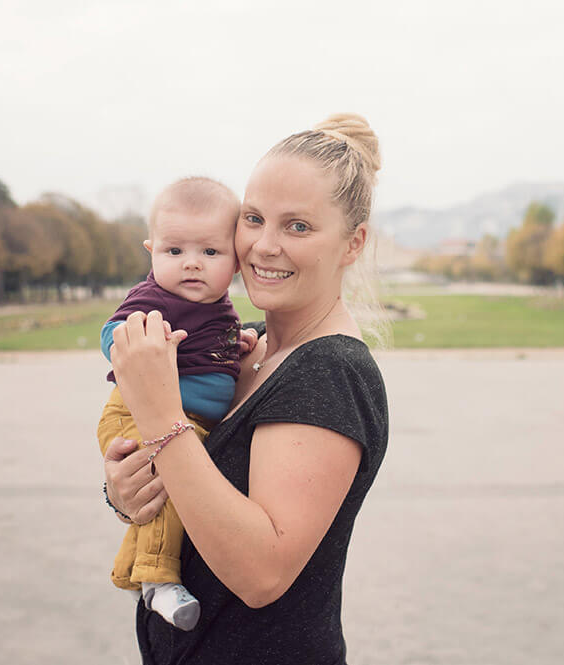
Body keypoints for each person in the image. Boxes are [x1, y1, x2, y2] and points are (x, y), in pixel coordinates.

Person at [104, 113, 389, 664]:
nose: (263, 246)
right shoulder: (246, 347)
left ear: (352, 243)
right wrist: (126, 491)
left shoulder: (328, 372)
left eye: (298, 227)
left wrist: (162, 415)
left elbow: (261, 573)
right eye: (253, 219)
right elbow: (197, 491)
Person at [97, 176, 252, 631]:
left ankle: (139, 570)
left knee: (172, 488)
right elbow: (113, 335)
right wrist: (147, 349)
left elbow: (211, 348)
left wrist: (233, 348)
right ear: (151, 251)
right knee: (172, 491)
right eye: (174, 251)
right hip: (136, 413)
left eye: (210, 252)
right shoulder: (155, 299)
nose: (192, 265)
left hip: (184, 418)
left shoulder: (219, 308)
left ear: (236, 260)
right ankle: (157, 580)